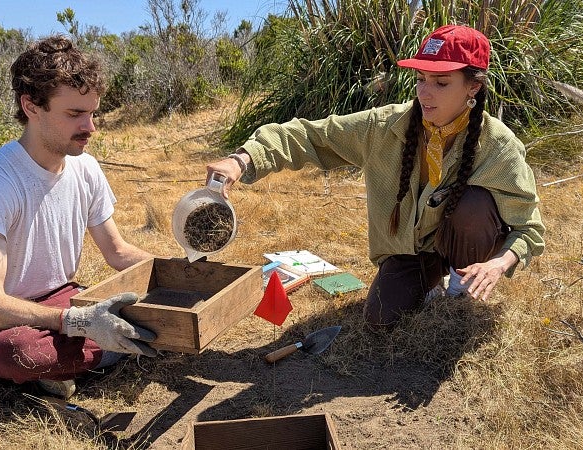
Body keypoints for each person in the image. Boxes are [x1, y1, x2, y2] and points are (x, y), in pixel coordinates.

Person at [205, 24, 545, 327]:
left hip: (465, 242)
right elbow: (307, 136)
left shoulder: (498, 145)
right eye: (421, 79)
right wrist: (242, 160)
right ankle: (429, 283)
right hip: (410, 251)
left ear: (473, 86)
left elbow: (529, 229)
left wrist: (497, 264)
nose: (425, 93)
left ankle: (459, 293)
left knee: (473, 206)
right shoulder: (383, 126)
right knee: (382, 318)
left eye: (441, 82)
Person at [0, 35, 157, 398]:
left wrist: (183, 274)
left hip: (66, 297)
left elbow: (117, 252)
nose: (91, 127)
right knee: (19, 353)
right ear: (31, 106)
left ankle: (75, 361)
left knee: (146, 312)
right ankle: (112, 349)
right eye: (74, 114)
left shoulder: (86, 168)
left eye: (92, 112)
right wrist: (76, 322)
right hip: (8, 321)